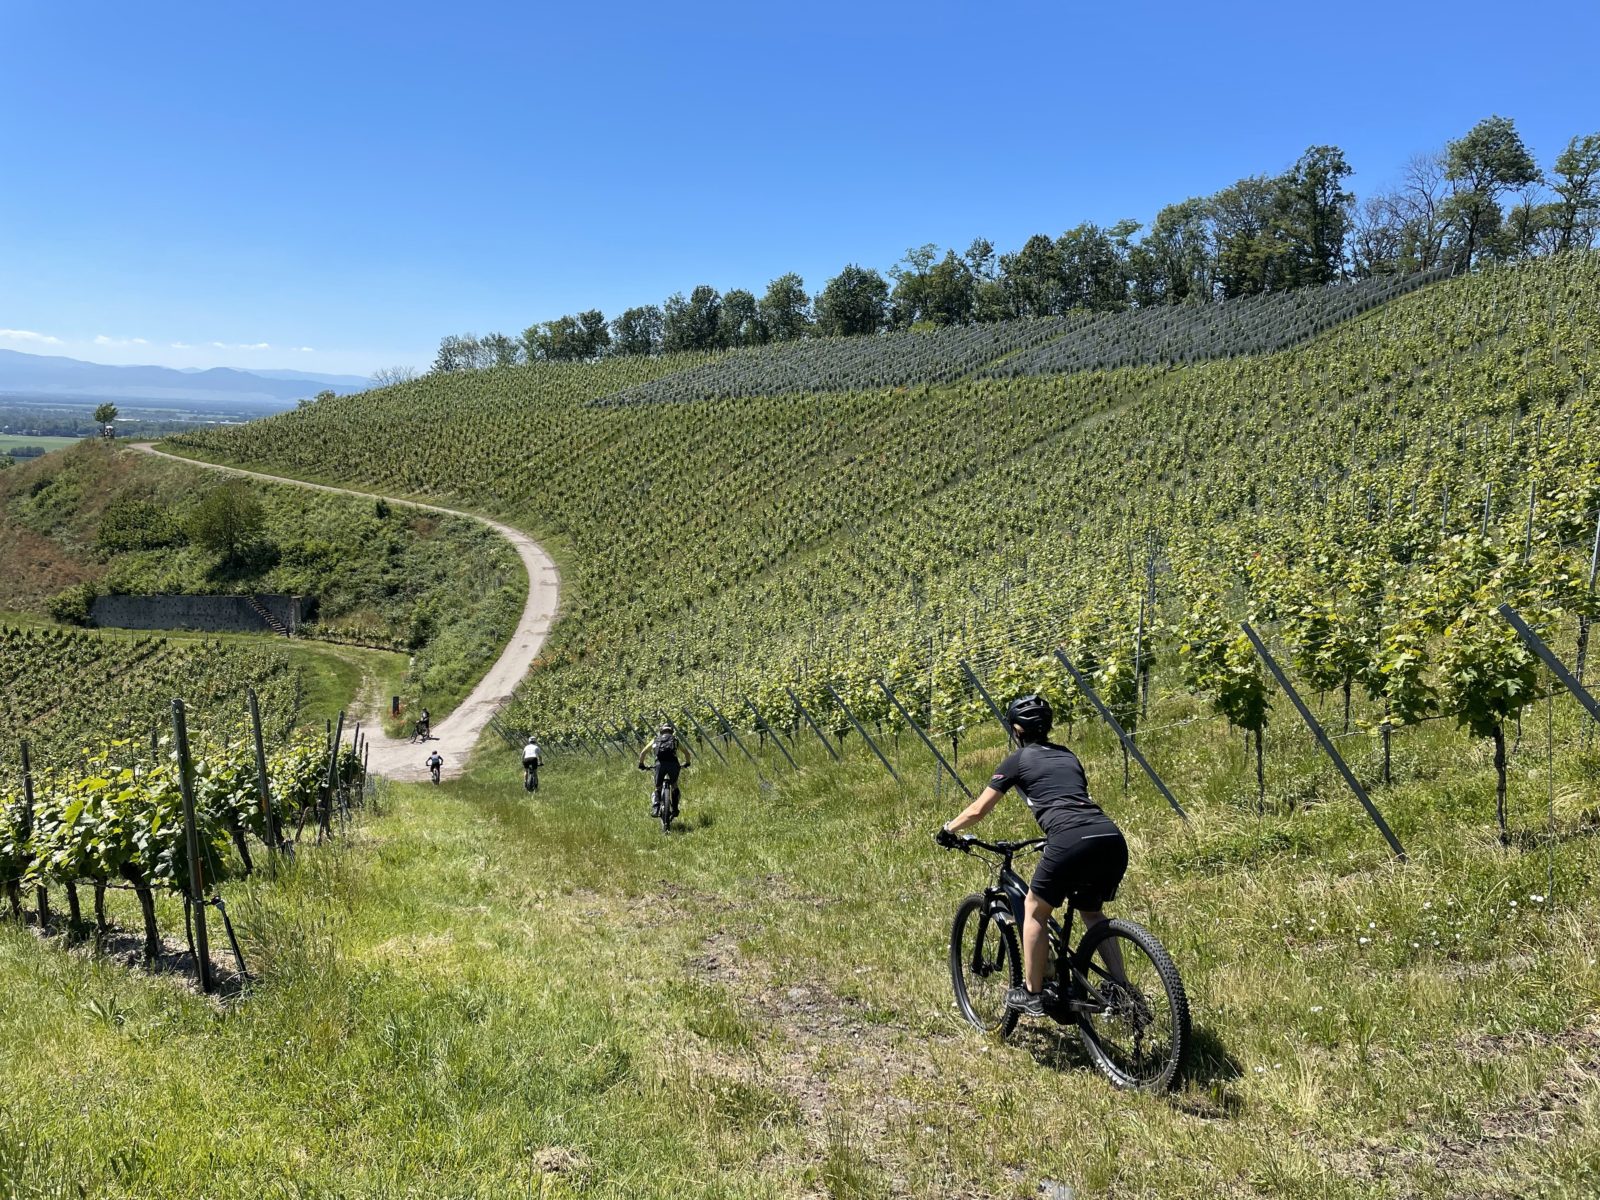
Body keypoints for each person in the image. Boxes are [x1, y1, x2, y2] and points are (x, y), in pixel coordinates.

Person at [935, 693, 1127, 1018]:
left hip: (1068, 838)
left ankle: (1032, 993)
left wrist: (947, 830)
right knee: (1092, 913)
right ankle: (1122, 989)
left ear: (1017, 730)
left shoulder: (1017, 760)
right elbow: (1069, 798)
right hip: (1108, 836)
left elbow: (978, 810)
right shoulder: (1068, 755)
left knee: (1034, 910)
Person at [637, 722, 692, 815]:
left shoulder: (655, 740)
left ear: (661, 731)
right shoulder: (675, 740)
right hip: (673, 765)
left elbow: (643, 753)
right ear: (671, 731)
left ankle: (655, 808)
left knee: (658, 788)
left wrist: (641, 764)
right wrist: (687, 763)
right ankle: (675, 808)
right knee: (674, 786)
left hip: (660, 765)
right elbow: (687, 753)